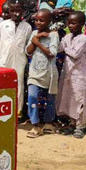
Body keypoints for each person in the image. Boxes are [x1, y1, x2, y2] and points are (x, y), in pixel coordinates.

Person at [0, 0, 32, 118]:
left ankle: (17, 112)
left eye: (19, 10)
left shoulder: (27, 27)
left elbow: (27, 45)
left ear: (23, 11)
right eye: (13, 10)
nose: (16, 13)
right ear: (8, 11)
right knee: (1, 84)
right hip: (3, 59)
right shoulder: (3, 25)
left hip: (19, 60)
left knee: (18, 84)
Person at [25, 9, 59, 138]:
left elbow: (52, 54)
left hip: (49, 73)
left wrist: (37, 42)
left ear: (49, 21)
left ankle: (48, 123)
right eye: (36, 20)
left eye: (42, 20)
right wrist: (36, 38)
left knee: (49, 99)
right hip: (34, 72)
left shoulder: (54, 35)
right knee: (32, 97)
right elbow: (28, 51)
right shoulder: (34, 33)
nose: (38, 22)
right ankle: (36, 125)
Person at [56, 12, 86, 139]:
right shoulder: (67, 36)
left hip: (79, 75)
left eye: (73, 23)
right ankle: (72, 123)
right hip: (68, 74)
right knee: (70, 99)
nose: (70, 25)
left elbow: (74, 53)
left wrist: (65, 47)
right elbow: (59, 48)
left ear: (81, 24)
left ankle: (80, 126)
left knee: (79, 99)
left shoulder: (84, 39)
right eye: (68, 23)